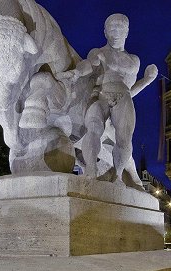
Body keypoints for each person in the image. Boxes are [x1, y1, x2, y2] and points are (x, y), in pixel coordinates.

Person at [61, 14, 157, 186]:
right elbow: (89, 64)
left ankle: (118, 176)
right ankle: (90, 170)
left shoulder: (134, 61)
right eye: (112, 28)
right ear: (105, 32)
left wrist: (147, 80)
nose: (116, 32)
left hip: (124, 97)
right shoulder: (99, 52)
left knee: (124, 138)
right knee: (93, 128)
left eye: (120, 28)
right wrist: (77, 72)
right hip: (101, 93)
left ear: (127, 32)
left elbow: (130, 90)